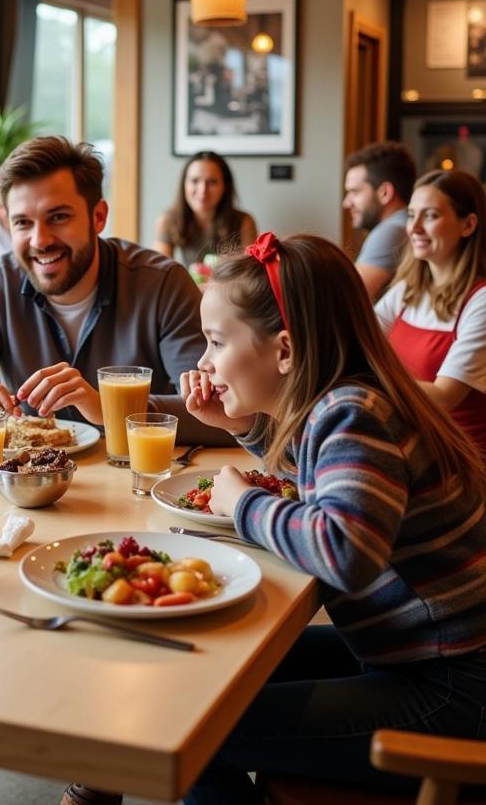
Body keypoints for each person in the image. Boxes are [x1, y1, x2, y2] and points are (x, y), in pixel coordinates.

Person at [175, 232, 486, 803]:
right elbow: (323, 476)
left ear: (285, 351)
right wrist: (239, 426)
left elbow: (348, 551)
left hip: (449, 689)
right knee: (218, 670)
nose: (205, 361)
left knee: (198, 730)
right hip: (420, 657)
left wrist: (241, 504)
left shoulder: (351, 413)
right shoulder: (351, 401)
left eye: (217, 342)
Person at [0, 136, 233, 445]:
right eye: (23, 223)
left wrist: (109, 410)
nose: (40, 240)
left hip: (134, 487)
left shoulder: (163, 283)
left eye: (58, 217)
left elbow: (222, 409)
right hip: (27, 489)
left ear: (98, 217)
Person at [375, 168, 486, 456]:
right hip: (411, 450)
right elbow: (360, 336)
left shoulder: (481, 300)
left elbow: (445, 396)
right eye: (412, 215)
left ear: (468, 225)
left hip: (461, 464)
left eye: (431, 216)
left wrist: (367, 377)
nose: (414, 228)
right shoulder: (407, 290)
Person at [153, 151, 257, 265]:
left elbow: (249, 275)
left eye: (212, 182)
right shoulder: (167, 220)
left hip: (230, 283)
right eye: (194, 181)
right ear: (184, 184)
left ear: (225, 186)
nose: (202, 190)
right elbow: (161, 269)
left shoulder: (244, 222)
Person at [341, 141, 416, 299]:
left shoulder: (390, 231)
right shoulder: (404, 224)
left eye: (355, 192)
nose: (346, 203)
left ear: (384, 193)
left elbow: (347, 300)